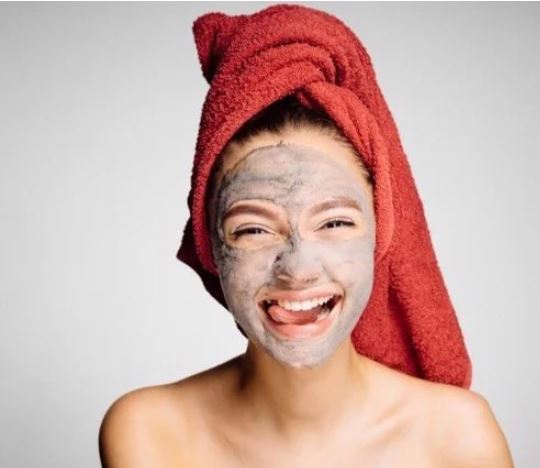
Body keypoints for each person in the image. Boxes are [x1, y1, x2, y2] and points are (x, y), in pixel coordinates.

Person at [98, 95, 514, 467]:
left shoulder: (458, 436)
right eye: (253, 229)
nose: (297, 269)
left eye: (334, 222)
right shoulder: (150, 432)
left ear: (380, 234)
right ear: (211, 251)